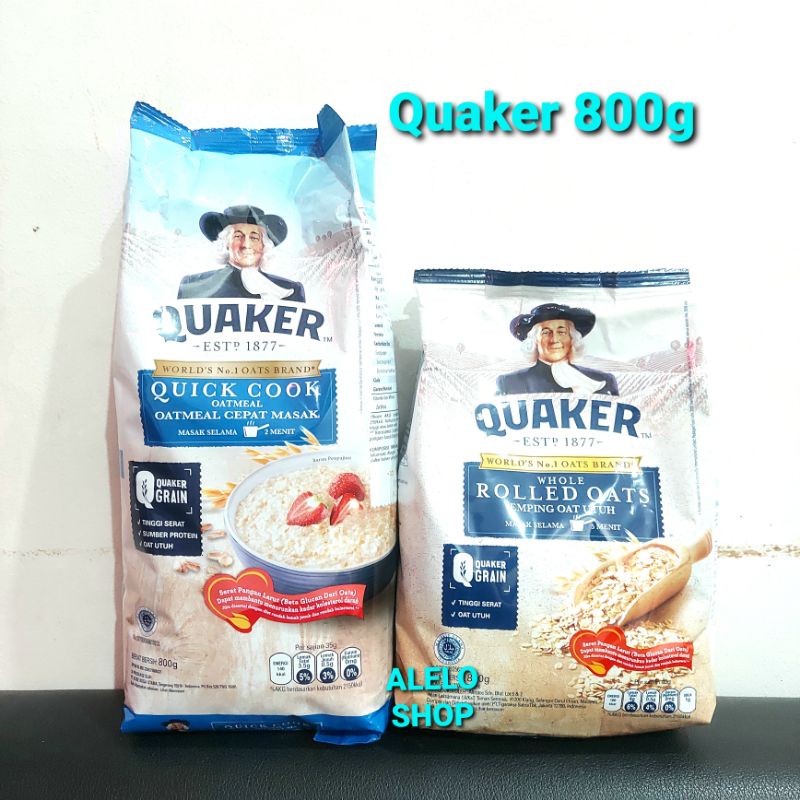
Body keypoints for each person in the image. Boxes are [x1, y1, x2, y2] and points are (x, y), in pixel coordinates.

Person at [178, 205, 305, 301]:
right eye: (238, 236)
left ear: (264, 245)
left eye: (254, 238)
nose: (246, 245)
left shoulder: (292, 290)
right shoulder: (191, 286)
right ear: (226, 243)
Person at [496, 303, 619, 395]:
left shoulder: (602, 381)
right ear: (534, 341)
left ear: (572, 338)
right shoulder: (508, 383)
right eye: (545, 332)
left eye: (561, 332)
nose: (554, 339)